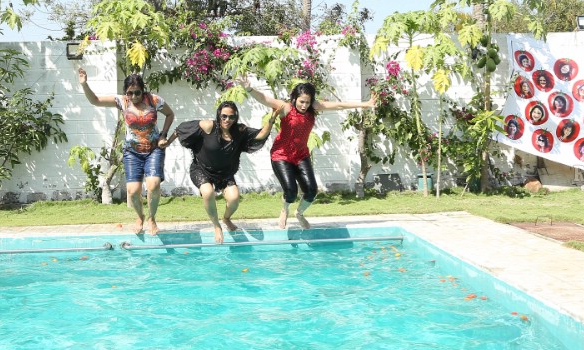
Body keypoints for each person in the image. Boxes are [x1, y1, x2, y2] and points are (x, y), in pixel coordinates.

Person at [242, 81, 375, 230]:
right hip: (281, 155)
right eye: (301, 102)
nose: (304, 106)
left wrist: (365, 104)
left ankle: (299, 213)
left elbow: (339, 105)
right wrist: (248, 88)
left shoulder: (313, 108)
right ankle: (284, 208)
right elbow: (264, 98)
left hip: (301, 155)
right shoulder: (286, 108)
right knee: (291, 192)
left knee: (312, 191)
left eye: (308, 102)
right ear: (294, 99)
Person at [79, 69, 175, 236]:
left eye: (137, 92)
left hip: (153, 149)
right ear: (126, 92)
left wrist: (163, 134)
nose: (134, 96)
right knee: (132, 191)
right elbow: (95, 100)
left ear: (142, 90)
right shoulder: (122, 101)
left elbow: (170, 114)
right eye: (130, 93)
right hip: (132, 152)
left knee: (153, 185)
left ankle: (152, 218)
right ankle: (140, 217)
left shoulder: (154, 100)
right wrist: (84, 84)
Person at [166, 101, 275, 244]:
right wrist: (167, 142)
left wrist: (272, 119)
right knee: (207, 192)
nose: (227, 120)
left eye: (231, 117)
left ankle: (226, 218)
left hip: (225, 174)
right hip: (201, 169)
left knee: (234, 199)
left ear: (235, 117)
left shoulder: (239, 131)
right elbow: (181, 129)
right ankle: (217, 225)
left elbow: (260, 135)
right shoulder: (208, 126)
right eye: (224, 116)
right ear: (218, 115)